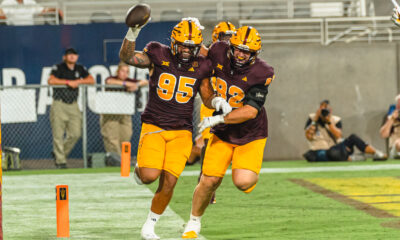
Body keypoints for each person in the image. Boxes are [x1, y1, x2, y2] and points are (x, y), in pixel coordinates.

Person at [119, 16, 231, 240]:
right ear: (173, 42)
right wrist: (133, 32)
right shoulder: (158, 53)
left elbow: (207, 95)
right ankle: (139, 171)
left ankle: (149, 226)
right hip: (154, 125)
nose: (187, 51)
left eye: (192, 47)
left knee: (170, 181)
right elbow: (128, 57)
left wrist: (218, 102)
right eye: (183, 46)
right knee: (150, 176)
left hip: (181, 130)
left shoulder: (202, 65)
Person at [182, 26, 274, 239]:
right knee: (208, 181)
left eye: (247, 51)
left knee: (243, 182)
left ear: (255, 54)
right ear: (231, 46)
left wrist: (218, 117)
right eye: (238, 49)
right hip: (223, 133)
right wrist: (190, 37)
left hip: (251, 134)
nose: (241, 54)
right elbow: (199, 52)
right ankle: (193, 222)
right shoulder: (219, 50)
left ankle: (245, 174)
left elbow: (250, 111)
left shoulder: (262, 72)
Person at [186, 21, 237, 206]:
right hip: (211, 103)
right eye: (225, 36)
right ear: (217, 37)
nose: (229, 40)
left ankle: (210, 185)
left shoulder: (236, 54)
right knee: (209, 147)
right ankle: (205, 189)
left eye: (231, 36)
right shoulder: (208, 54)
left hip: (230, 105)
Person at [48, 48, 94, 169]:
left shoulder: (80, 68)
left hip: (73, 104)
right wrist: (68, 82)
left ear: (77, 57)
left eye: (74, 54)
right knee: (58, 134)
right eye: (69, 54)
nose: (72, 56)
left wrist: (78, 82)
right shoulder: (58, 67)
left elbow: (91, 80)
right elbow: (51, 80)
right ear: (65, 57)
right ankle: (60, 161)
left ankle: (59, 154)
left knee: (76, 133)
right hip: (59, 103)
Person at [303, 100, 387, 162]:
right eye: (322, 109)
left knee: (352, 138)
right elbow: (309, 136)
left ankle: (376, 153)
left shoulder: (335, 120)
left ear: (330, 110)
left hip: (335, 148)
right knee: (325, 154)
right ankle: (351, 158)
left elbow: (338, 135)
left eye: (326, 110)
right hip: (320, 150)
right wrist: (315, 119)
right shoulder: (312, 118)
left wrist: (328, 122)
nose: (324, 112)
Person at [100, 63, 148, 159]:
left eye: (127, 72)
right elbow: (109, 82)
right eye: (122, 71)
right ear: (118, 71)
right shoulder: (112, 78)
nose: (124, 74)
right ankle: (116, 161)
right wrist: (126, 84)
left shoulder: (130, 80)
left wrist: (136, 85)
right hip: (110, 113)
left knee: (126, 136)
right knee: (112, 138)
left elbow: (145, 81)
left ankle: (122, 160)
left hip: (125, 114)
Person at [380, 94, 400, 158]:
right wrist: (392, 119)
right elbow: (383, 135)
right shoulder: (391, 118)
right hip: (396, 149)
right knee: (398, 142)